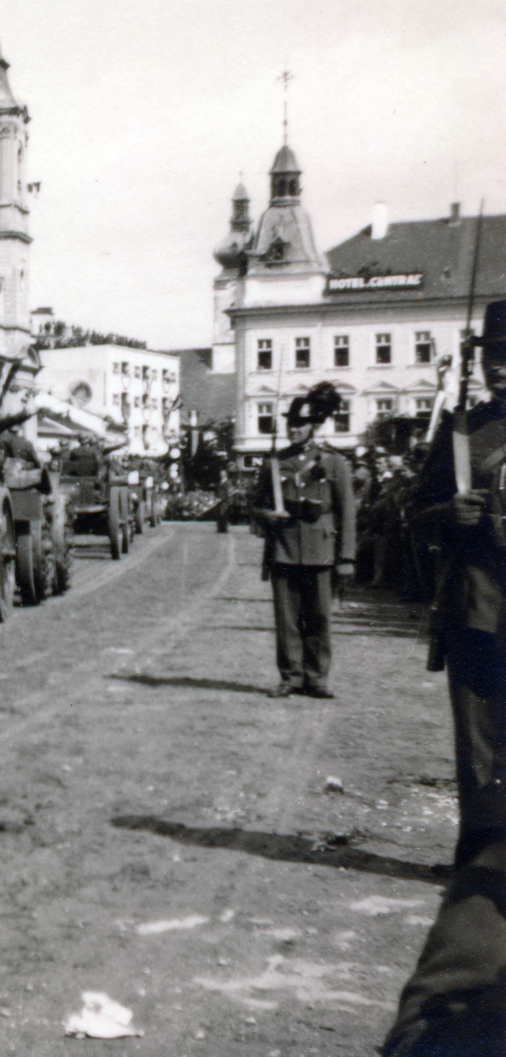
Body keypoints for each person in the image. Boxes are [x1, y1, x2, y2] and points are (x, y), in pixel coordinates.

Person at [382, 301, 506, 1056]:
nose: (502, 366)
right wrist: (445, 512)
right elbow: (409, 516)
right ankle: (477, 897)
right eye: (494, 353)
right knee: (483, 770)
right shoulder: (462, 435)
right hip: (478, 619)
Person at [249, 382, 357, 698]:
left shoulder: (334, 462)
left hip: (322, 547)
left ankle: (316, 678)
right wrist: (268, 516)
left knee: (320, 616)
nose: (294, 429)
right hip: (283, 547)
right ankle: (291, 676)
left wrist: (347, 556)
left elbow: (347, 510)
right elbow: (254, 504)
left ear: (314, 426)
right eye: (290, 424)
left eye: (301, 424)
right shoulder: (274, 461)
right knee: (286, 619)